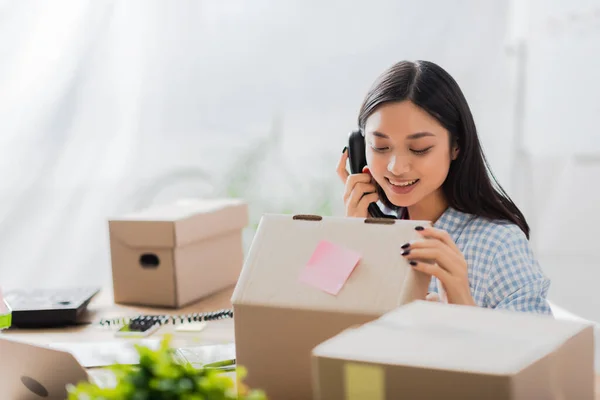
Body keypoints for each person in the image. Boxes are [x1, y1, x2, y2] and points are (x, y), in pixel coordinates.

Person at [336, 60, 552, 315]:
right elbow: (307, 321)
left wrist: (461, 307)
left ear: (456, 146)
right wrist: (351, 236)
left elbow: (541, 351)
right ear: (359, 149)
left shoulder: (498, 245)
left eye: (419, 149)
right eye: (380, 147)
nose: (396, 167)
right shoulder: (359, 226)